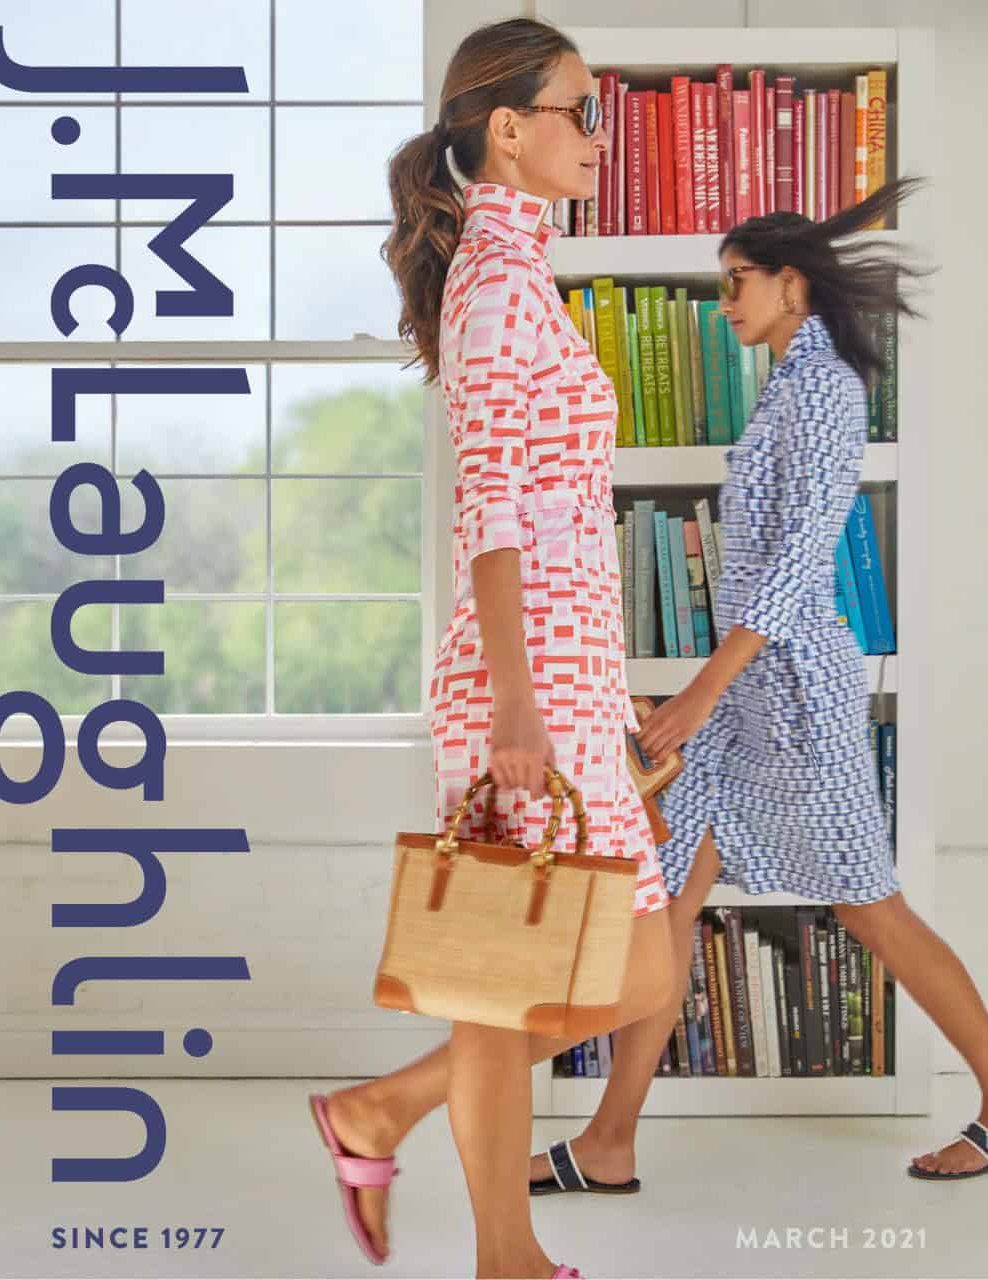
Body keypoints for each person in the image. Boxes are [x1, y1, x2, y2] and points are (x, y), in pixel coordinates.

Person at [307, 18, 682, 1279]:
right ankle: (504, 1254)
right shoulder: (494, 282)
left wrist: (607, 685)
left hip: (566, 671)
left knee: (625, 966)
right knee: (515, 978)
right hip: (520, 678)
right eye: (580, 110)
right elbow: (495, 512)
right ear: (507, 129)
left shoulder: (521, 274)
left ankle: (383, 1112)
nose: (598, 136)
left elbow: (571, 512)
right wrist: (523, 703)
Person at [527, 176, 988, 1198]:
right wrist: (707, 698)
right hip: (741, 702)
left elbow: (794, 566)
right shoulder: (787, 382)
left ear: (794, 284)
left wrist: (694, 693)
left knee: (873, 910)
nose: (726, 303)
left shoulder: (825, 390)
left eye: (738, 283)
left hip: (796, 701)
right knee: (667, 907)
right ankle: (609, 1143)